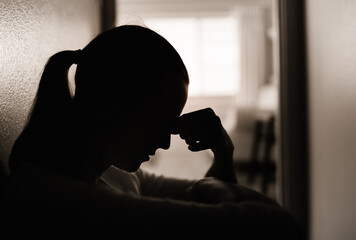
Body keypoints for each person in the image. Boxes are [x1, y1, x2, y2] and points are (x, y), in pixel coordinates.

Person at [0, 25, 303, 239]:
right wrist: (206, 188)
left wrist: (223, 153)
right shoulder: (45, 199)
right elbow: (277, 227)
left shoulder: (117, 176)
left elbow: (211, 208)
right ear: (110, 101)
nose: (164, 143)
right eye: (160, 123)